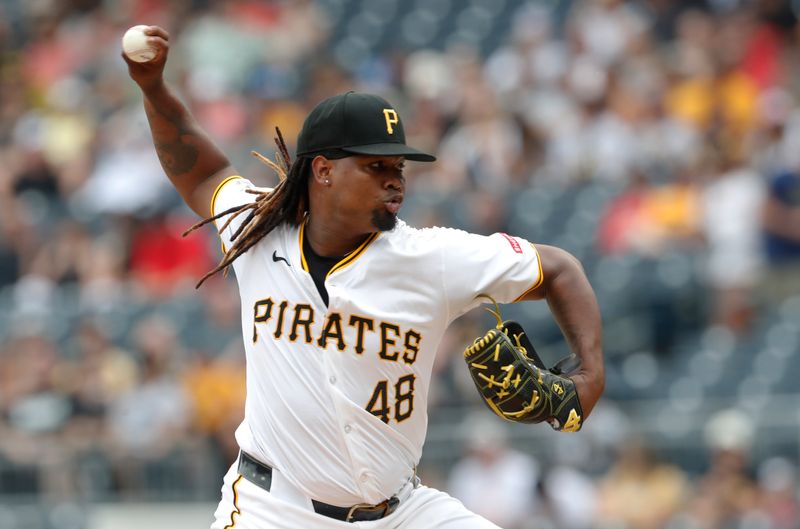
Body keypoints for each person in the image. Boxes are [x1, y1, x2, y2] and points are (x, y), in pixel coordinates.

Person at [123, 26, 605, 529]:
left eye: (399, 165)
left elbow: (560, 269)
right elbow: (200, 172)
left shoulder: (431, 256)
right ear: (324, 171)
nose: (395, 179)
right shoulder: (257, 228)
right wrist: (153, 88)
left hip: (402, 512)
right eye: (376, 166)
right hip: (276, 509)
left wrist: (590, 375)